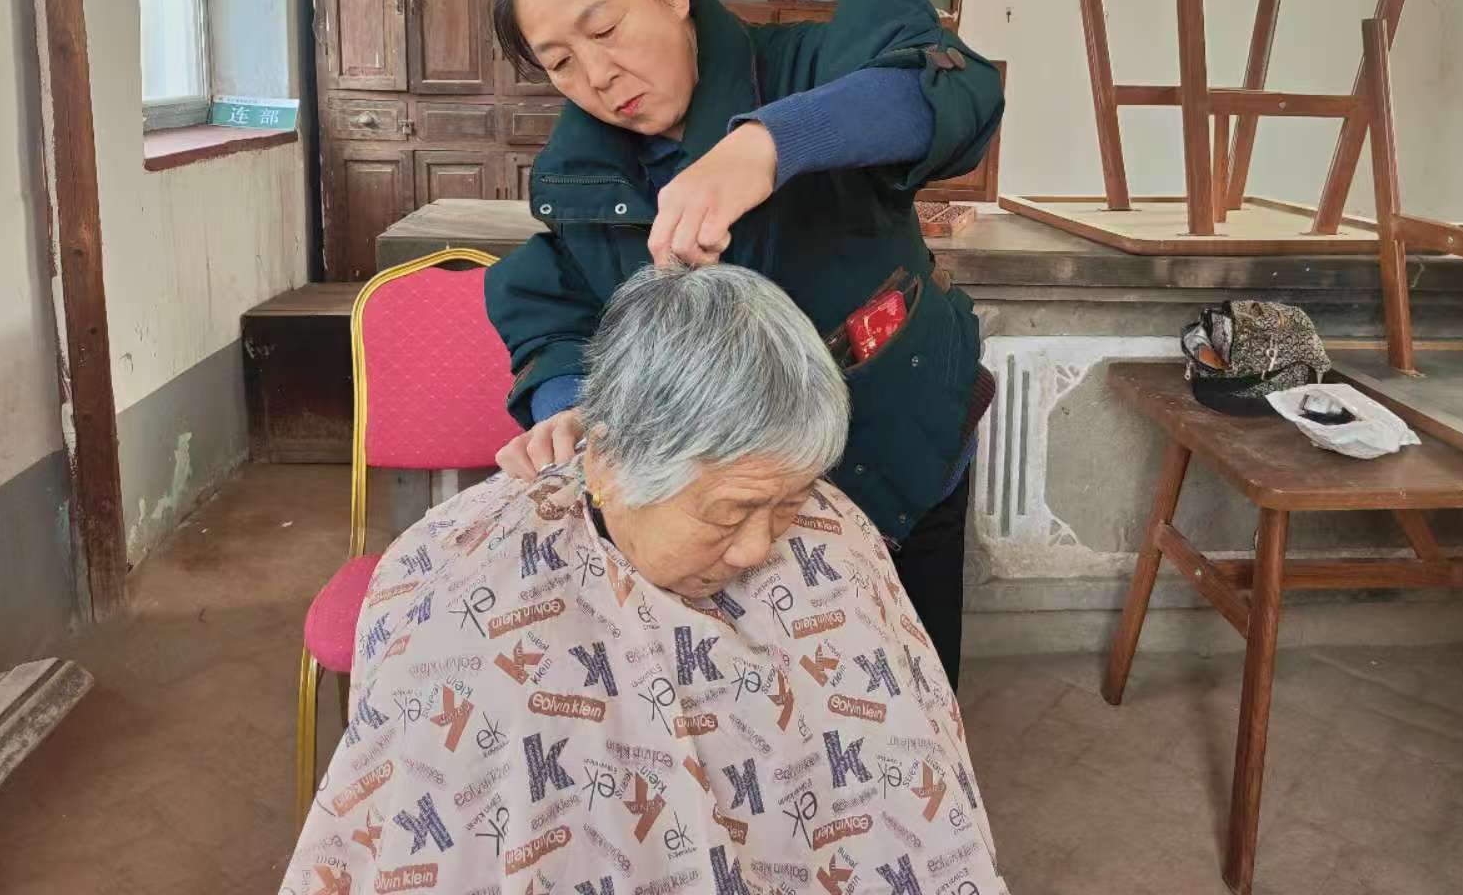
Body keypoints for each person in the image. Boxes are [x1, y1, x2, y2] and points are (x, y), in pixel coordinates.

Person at [280, 263, 1007, 895]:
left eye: (788, 505)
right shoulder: (474, 591)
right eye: (729, 513)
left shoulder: (834, 540)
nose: (759, 549)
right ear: (608, 466)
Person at [484, 0, 1003, 686]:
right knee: (758, 709)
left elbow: (951, 89)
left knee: (907, 684)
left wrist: (769, 145)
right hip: (722, 508)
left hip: (898, 440)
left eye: (606, 28)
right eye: (559, 63)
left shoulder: (811, 66)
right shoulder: (581, 173)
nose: (597, 77)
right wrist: (572, 404)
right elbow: (558, 303)